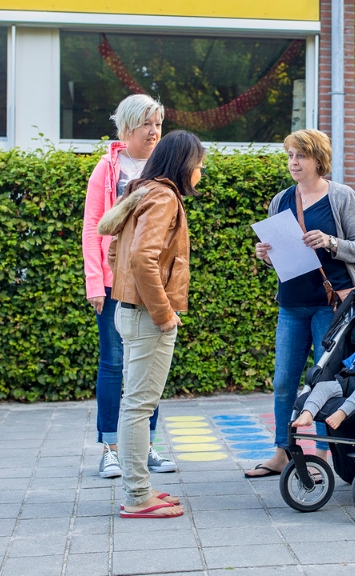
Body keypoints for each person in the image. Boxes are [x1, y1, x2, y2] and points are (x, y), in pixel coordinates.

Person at [245, 129, 355, 478]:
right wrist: (266, 255)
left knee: (322, 381)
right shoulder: (280, 200)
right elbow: (280, 256)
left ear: (318, 159)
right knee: (284, 381)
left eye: (299, 155)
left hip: (330, 306)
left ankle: (322, 455)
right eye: (289, 156)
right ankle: (282, 451)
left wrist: (331, 241)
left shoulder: (341, 197)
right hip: (291, 305)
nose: (293, 163)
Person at [96, 130, 204, 518]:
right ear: (183, 164)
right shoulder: (163, 197)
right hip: (146, 316)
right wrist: (163, 312)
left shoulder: (143, 192)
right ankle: (138, 496)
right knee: (139, 408)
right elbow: (143, 258)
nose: (201, 171)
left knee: (135, 405)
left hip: (129, 311)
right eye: (198, 164)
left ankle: (140, 487)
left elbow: (115, 254)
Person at [82, 94, 175, 479]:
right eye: (146, 125)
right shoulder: (107, 168)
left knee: (150, 368)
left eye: (158, 124)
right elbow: (92, 227)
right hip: (113, 283)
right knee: (114, 364)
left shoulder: (162, 167)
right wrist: (94, 283)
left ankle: (145, 445)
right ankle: (110, 449)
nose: (154, 132)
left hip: (152, 285)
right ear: (127, 127)